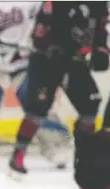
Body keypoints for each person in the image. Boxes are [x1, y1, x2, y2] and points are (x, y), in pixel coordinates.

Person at [0, 1, 71, 169]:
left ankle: (57, 145)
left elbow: (49, 21)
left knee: (41, 103)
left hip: (27, 62)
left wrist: (38, 40)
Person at [9, 1, 109, 178]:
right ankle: (18, 154)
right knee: (37, 108)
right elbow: (40, 28)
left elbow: (100, 27)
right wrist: (49, 44)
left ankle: (83, 155)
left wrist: (101, 50)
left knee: (90, 105)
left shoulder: (99, 3)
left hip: (74, 60)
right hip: (46, 59)